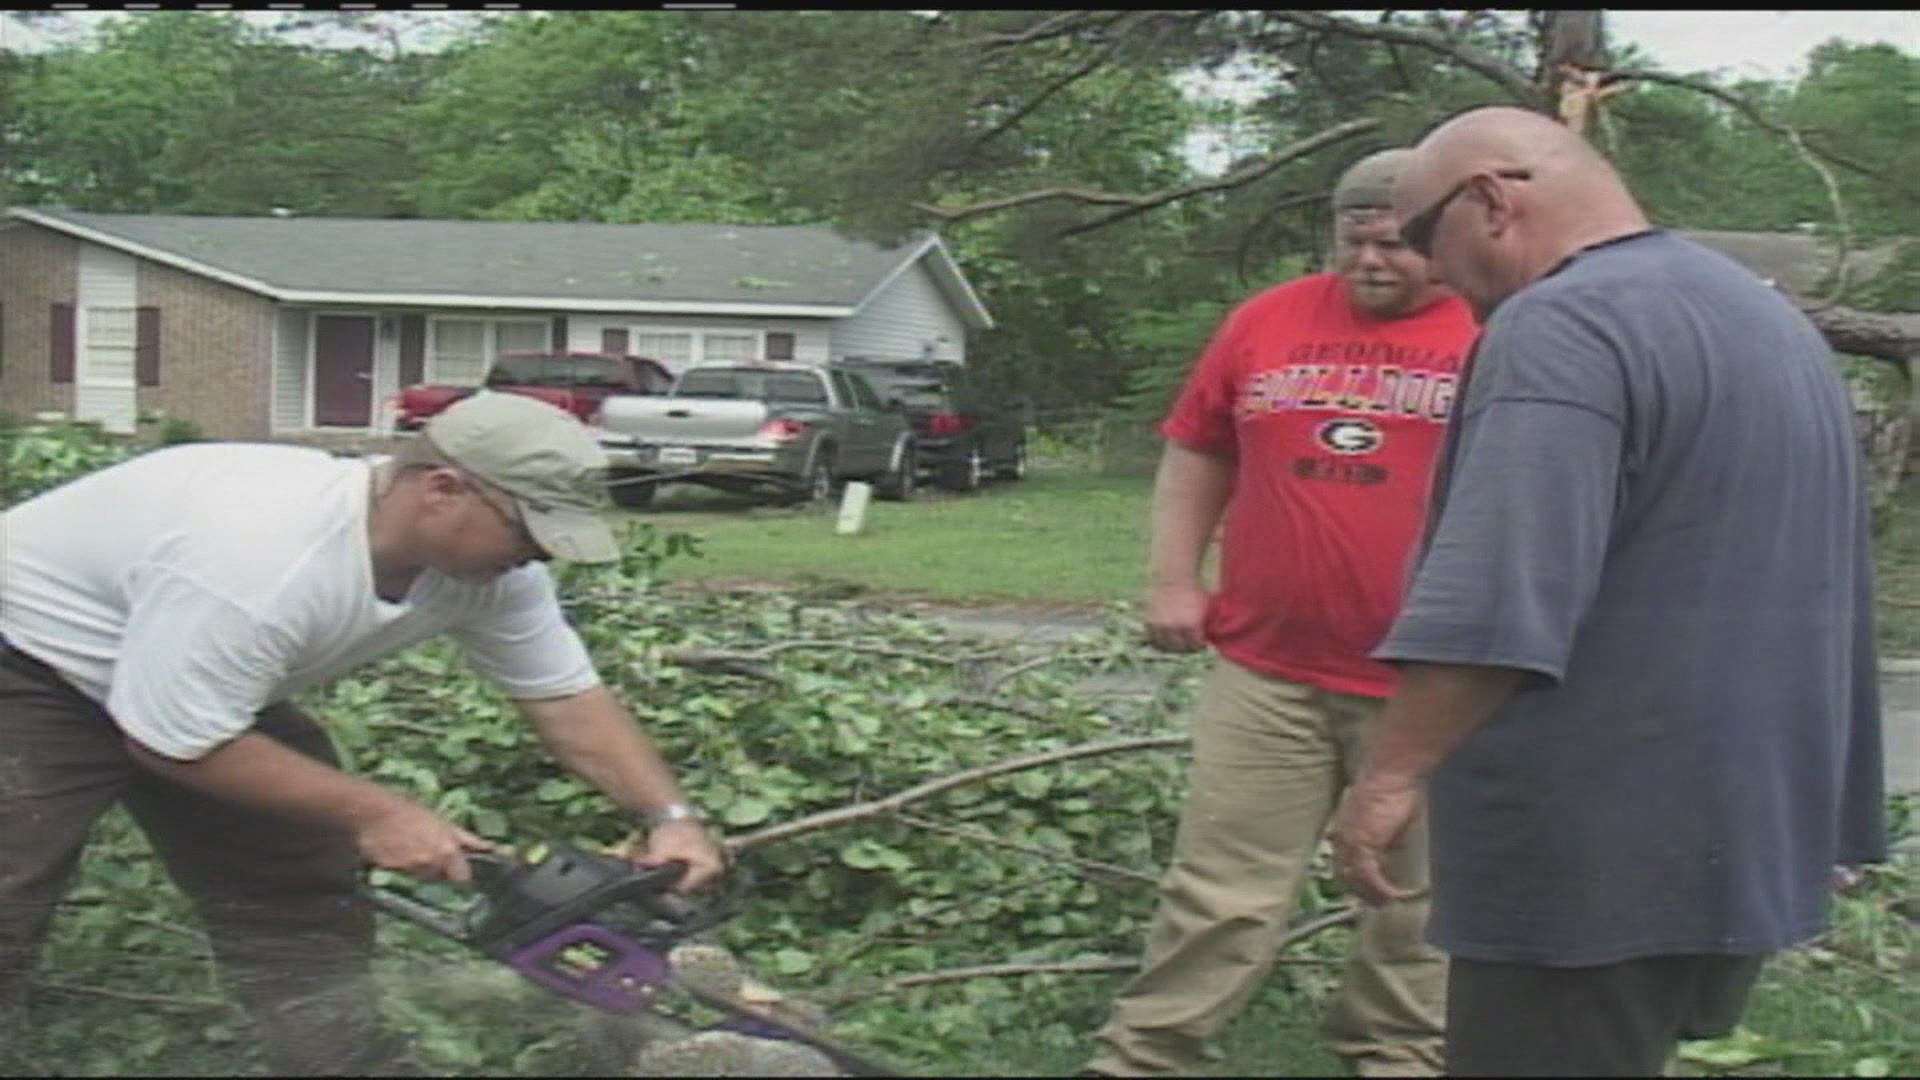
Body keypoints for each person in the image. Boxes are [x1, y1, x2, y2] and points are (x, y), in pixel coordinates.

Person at [1330, 106, 1887, 1077]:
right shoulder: (1760, 316)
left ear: (1492, 201)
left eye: (1425, 236)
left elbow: (1497, 598)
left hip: (1593, 851)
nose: (1431, 273)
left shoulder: (1562, 324)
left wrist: (1390, 773)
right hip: (1735, 831)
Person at [0, 392, 728, 1075]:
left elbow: (565, 696)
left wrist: (669, 818)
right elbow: (170, 742)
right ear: (442, 489)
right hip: (26, 661)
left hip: (189, 683)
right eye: (530, 531)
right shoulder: (264, 558)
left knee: (298, 877)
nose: (542, 555)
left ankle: (340, 1061)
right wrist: (381, 812)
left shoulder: (496, 574)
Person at [1083, 148, 1480, 1078]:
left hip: (1430, 682)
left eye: (1400, 245)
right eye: (1357, 240)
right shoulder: (1267, 321)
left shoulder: (1498, 330)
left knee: (1416, 900)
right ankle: (1146, 1056)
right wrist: (1173, 579)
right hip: (1268, 668)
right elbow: (1198, 450)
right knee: (1221, 889)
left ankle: (1396, 1056)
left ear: (1444, 237)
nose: (1375, 262)